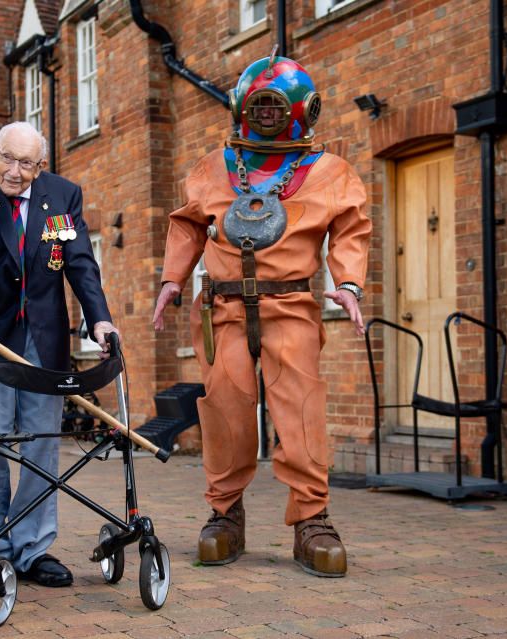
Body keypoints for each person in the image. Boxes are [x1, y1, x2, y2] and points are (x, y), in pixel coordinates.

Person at [152, 55, 371, 577]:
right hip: (223, 306)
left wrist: (347, 283)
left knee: (299, 408)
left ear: (302, 110)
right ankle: (225, 514)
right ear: (242, 108)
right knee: (225, 408)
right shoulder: (213, 167)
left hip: (291, 304)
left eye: (276, 107)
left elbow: (350, 230)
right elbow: (187, 227)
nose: (267, 116)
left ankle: (312, 520)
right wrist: (171, 280)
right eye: (260, 107)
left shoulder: (330, 173)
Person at [0, 121, 118, 588]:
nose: (15, 172)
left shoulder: (63, 195)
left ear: (41, 166)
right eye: (7, 158)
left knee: (42, 444)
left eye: (27, 164)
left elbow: (80, 261)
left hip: (44, 341)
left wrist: (98, 317)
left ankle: (31, 548)